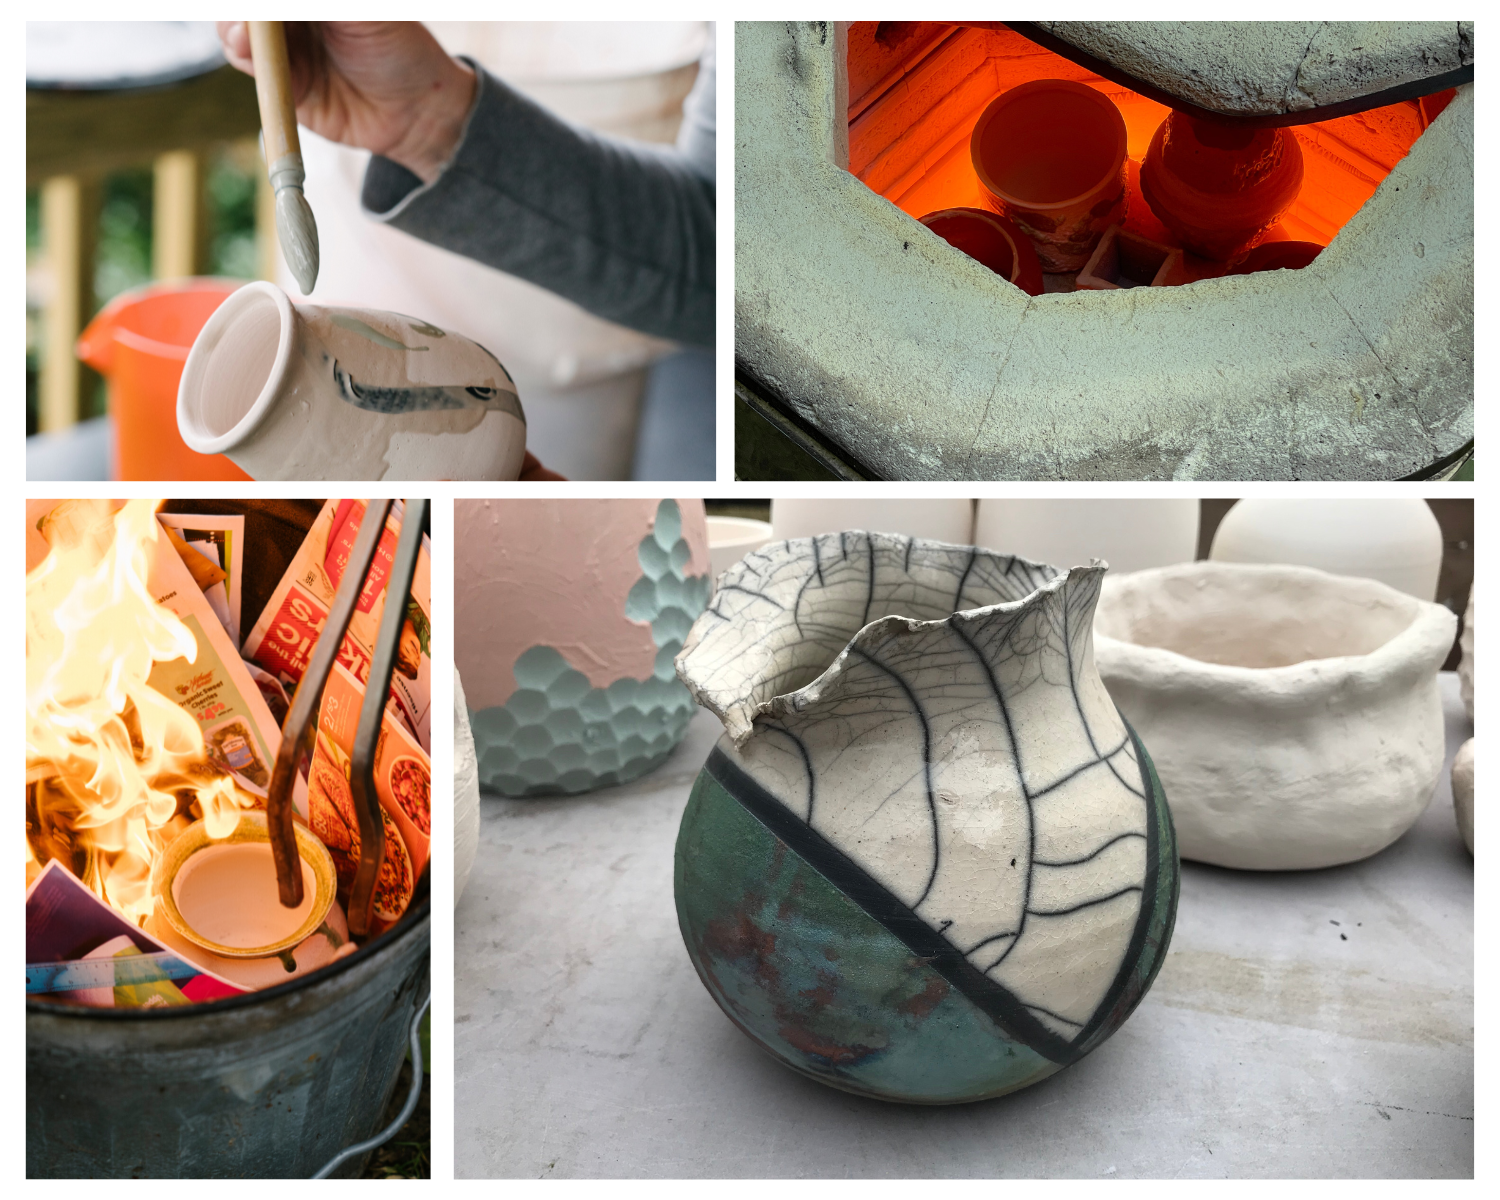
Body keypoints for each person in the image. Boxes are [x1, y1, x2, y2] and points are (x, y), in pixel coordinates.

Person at [218, 21, 716, 481]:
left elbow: (720, 240)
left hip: (597, 329)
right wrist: (424, 118)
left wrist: (430, 124)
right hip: (355, 130)